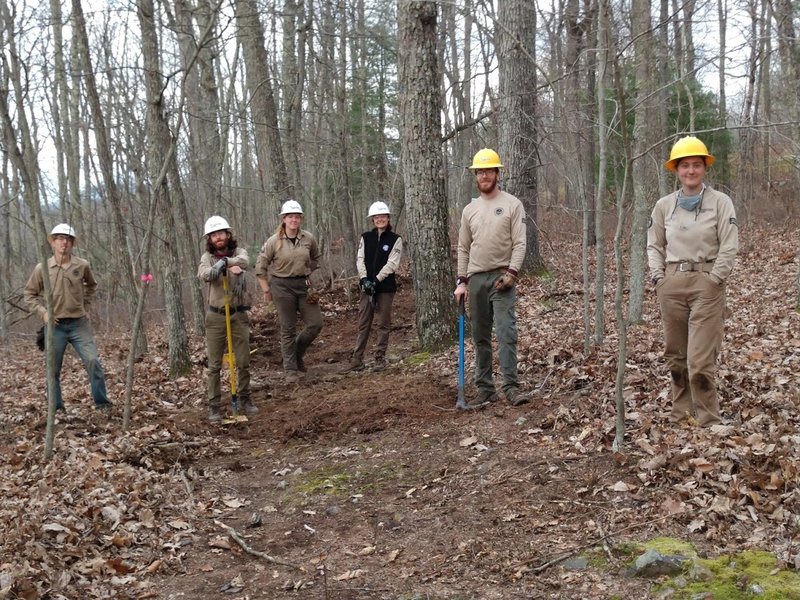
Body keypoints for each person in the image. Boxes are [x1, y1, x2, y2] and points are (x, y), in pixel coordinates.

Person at [647, 136, 738, 426]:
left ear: (704, 168)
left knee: (699, 360)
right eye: (684, 165)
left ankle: (708, 418)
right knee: (675, 355)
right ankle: (681, 413)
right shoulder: (664, 205)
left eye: (696, 165)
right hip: (672, 283)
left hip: (706, 284)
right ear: (676, 169)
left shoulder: (720, 202)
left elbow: (729, 244)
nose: (690, 171)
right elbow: (654, 244)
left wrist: (715, 278)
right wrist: (659, 277)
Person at [453, 148, 528, 408]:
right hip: (475, 279)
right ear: (476, 176)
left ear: (497, 173)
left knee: (506, 331)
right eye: (480, 172)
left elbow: (520, 243)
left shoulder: (511, 204)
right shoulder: (469, 210)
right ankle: (485, 388)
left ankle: (510, 387)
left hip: (501, 278)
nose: (484, 175)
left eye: (489, 171)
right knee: (480, 335)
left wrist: (512, 273)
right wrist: (462, 282)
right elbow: (463, 247)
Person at [24, 223, 112, 412]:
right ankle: (56, 408)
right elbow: (29, 294)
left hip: (79, 323)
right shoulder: (43, 268)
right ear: (53, 242)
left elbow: (92, 286)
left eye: (68, 239)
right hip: (55, 326)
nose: (65, 243)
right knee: (52, 369)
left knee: (93, 361)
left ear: (72, 243)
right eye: (60, 239)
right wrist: (44, 313)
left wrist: (85, 305)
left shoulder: (82, 265)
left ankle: (102, 404)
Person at [256, 200, 323, 383]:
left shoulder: (308, 238)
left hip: (303, 285)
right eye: (290, 217)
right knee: (288, 328)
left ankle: (296, 354)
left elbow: (316, 257)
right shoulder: (274, 241)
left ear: (300, 219)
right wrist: (266, 290)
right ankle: (291, 369)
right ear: (284, 219)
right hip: (281, 287)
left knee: (315, 324)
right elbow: (260, 267)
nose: (294, 220)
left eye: (297, 217)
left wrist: (310, 270)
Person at [197, 216, 257, 422]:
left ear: (227, 234)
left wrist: (227, 261)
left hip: (238, 313)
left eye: (220, 233)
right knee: (214, 364)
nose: (218, 237)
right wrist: (220, 267)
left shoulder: (238, 252)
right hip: (215, 316)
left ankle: (245, 398)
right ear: (210, 239)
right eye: (214, 235)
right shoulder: (207, 257)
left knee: (243, 360)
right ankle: (214, 405)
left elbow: (245, 261)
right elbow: (204, 274)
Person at [344, 201, 404, 372]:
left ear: (388, 218)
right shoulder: (366, 237)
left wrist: (376, 280)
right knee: (364, 322)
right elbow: (360, 259)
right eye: (376, 217)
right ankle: (357, 358)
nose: (380, 219)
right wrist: (364, 280)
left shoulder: (395, 239)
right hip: (366, 287)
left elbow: (392, 264)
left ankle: (379, 357)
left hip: (385, 287)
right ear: (372, 219)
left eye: (382, 216)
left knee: (383, 322)